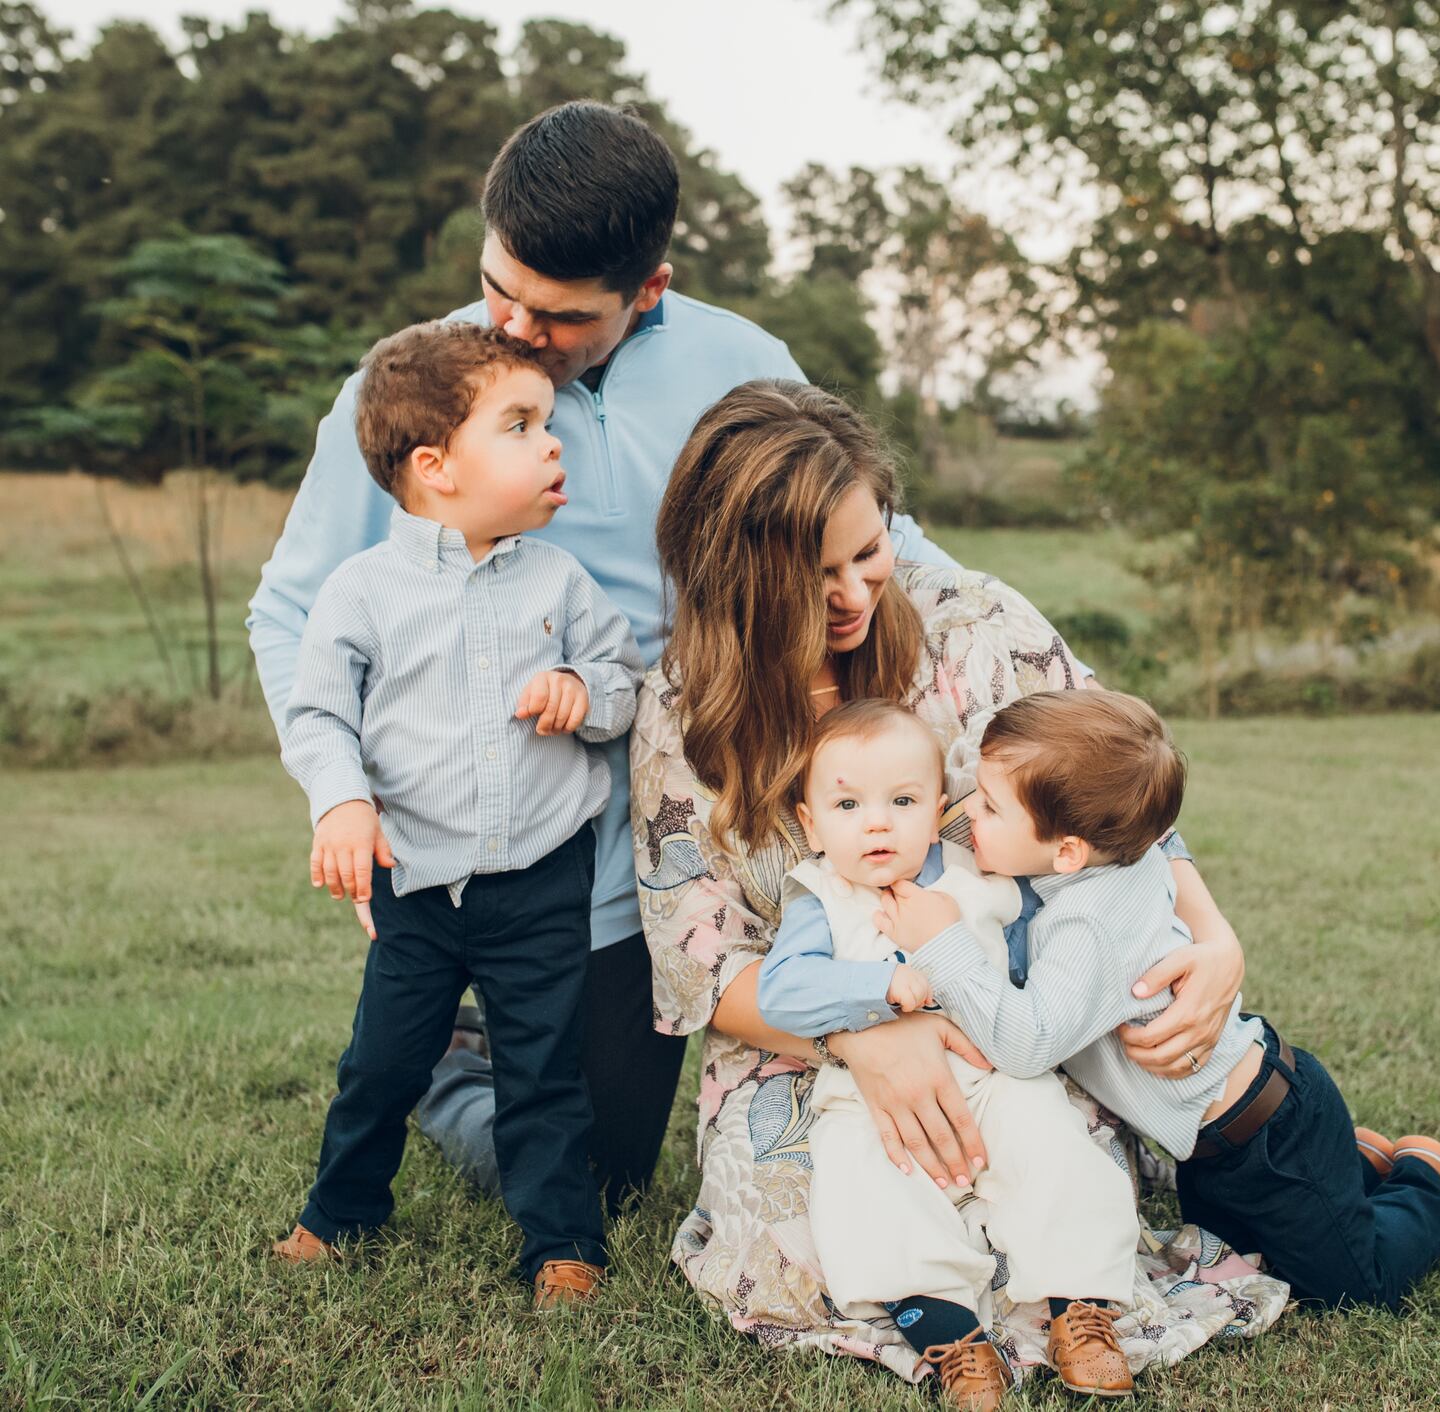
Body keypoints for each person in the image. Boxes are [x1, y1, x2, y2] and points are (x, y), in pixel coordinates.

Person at [246, 100, 951, 1212]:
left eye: (561, 315)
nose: (517, 328)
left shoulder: (742, 362)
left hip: (696, 814)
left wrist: (1016, 640)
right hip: (515, 839)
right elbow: (289, 613)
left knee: (627, 1154)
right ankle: (445, 1052)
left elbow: (873, 531)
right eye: (499, 288)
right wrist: (342, 794)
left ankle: (475, 1035)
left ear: (649, 289)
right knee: (582, 1179)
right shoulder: (407, 390)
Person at [631, 379, 1288, 1391]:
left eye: (869, 550)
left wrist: (1215, 935)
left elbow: (1116, 799)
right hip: (803, 1036)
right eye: (816, 576)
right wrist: (866, 1034)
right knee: (806, 1253)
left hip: (1008, 1010)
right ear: (735, 577)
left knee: (1054, 1185)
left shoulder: (974, 627)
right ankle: (951, 1320)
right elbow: (702, 966)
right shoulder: (683, 715)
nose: (855, 593)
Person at [879, 689, 1440, 1314]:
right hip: (1219, 1141)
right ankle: (1353, 1165)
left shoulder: (1089, 923)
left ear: (1067, 849)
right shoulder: (1119, 852)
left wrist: (941, 943)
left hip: (1265, 1137)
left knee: (1356, 1288)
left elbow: (1027, 1044)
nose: (963, 810)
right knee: (1253, 1255)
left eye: (988, 805)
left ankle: (1429, 1184)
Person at [270, 321, 643, 1303]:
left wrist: (580, 686)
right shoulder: (363, 591)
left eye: (550, 422)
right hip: (418, 886)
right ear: (434, 465)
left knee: (543, 1071)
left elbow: (624, 680)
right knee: (381, 1063)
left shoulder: (559, 582)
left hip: (540, 879)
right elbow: (318, 714)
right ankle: (341, 1209)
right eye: (520, 424)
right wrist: (342, 803)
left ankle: (562, 1242)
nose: (552, 442)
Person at [759, 699, 1138, 1407]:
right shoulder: (821, 895)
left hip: (993, 1075)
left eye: (901, 800)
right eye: (846, 804)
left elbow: (1039, 957)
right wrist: (877, 986)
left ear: (937, 809)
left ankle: (1078, 1310)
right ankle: (953, 1336)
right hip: (871, 1097)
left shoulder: (981, 875)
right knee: (865, 1191)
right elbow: (783, 991)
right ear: (810, 822)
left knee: (1059, 1154)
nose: (876, 822)